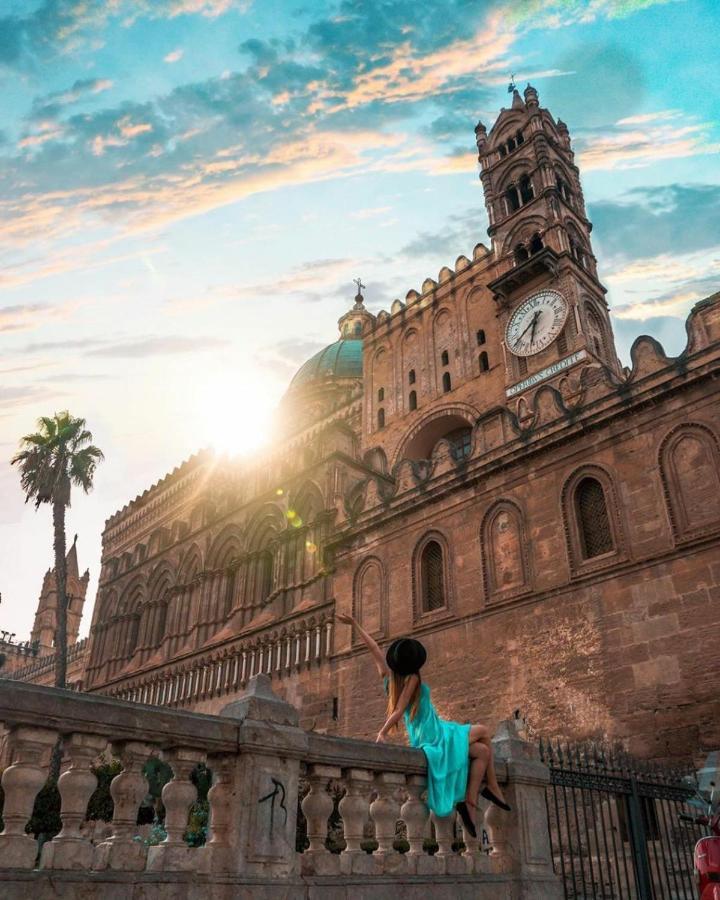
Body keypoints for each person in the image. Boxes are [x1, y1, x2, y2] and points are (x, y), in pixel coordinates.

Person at [337, 612, 510, 838]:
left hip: (426, 732)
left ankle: (470, 801)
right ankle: (493, 788)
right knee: (484, 731)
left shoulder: (389, 680)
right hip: (434, 734)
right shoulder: (413, 679)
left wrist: (354, 624)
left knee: (482, 752)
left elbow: (374, 649)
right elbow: (399, 710)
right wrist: (382, 731)